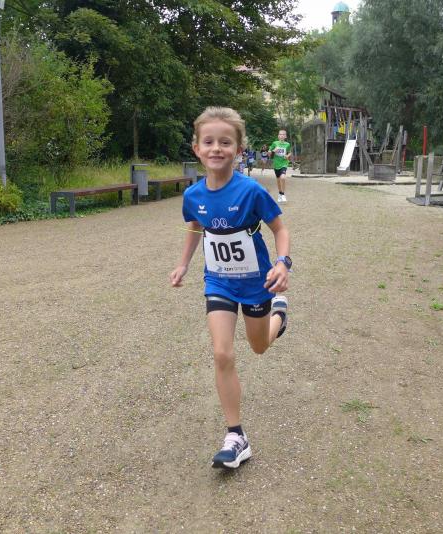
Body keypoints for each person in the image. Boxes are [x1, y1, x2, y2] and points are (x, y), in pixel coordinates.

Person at [170, 107, 292, 469]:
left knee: (259, 347)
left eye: (225, 142)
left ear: (239, 150)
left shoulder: (251, 191)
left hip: (256, 283)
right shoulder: (193, 195)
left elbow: (280, 229)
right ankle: (236, 436)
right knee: (222, 354)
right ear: (196, 148)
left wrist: (282, 263)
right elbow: (195, 227)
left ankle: (278, 316)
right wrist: (183, 263)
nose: (216, 148)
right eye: (208, 142)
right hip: (218, 281)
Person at [269, 130, 291, 203]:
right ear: (278, 136)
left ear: (285, 136)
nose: (281, 136)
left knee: (283, 177)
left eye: (283, 134)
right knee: (278, 180)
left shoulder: (287, 144)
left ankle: (283, 194)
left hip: (284, 163)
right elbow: (269, 154)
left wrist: (287, 156)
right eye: (280, 134)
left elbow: (289, 152)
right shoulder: (275, 143)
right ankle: (280, 193)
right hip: (276, 164)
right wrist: (273, 151)